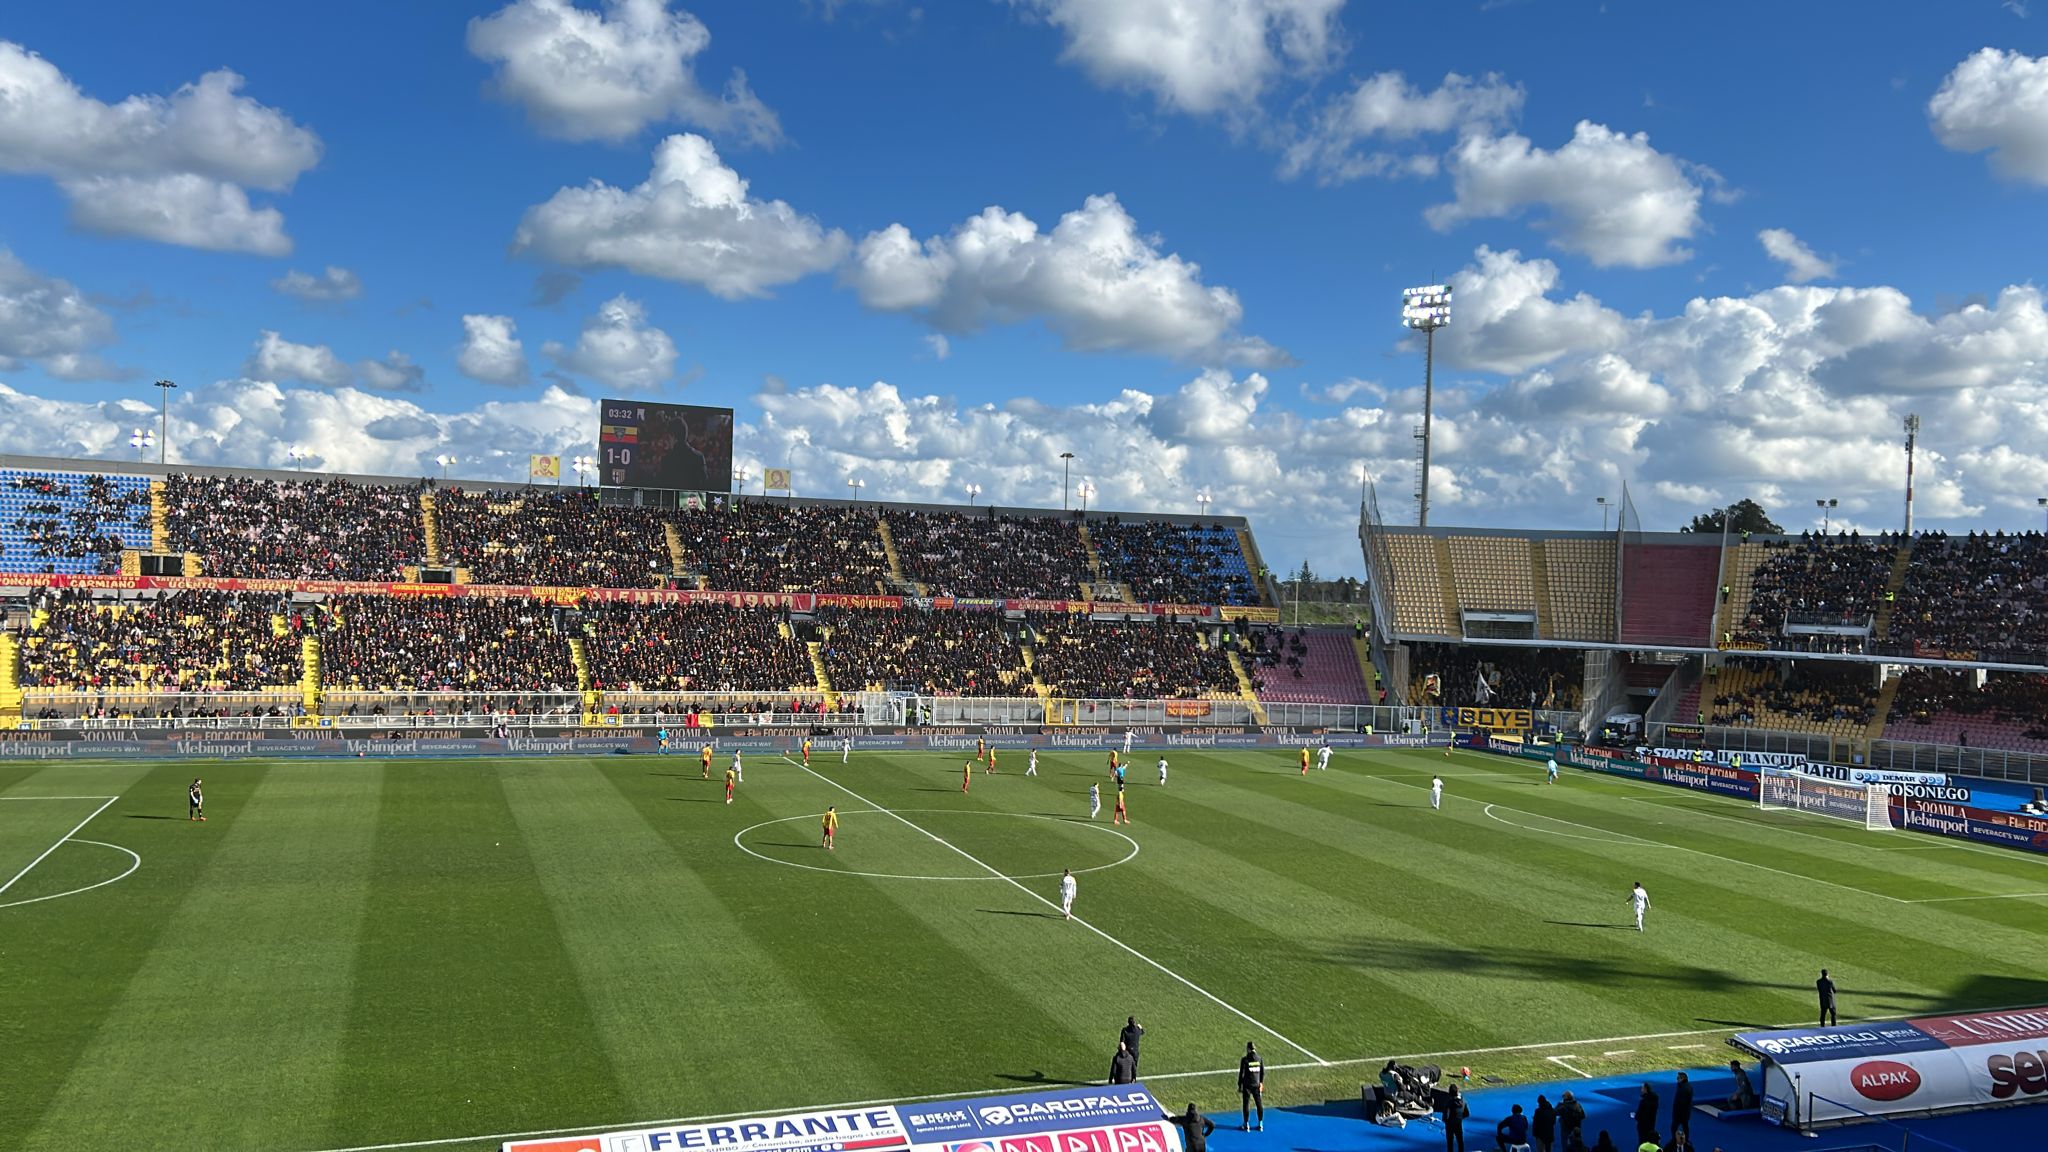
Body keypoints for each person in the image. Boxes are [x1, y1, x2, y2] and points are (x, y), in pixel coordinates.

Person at [1237, 1042, 1264, 1131]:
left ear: (1248, 1049)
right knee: (1259, 1104)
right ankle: (1260, 1123)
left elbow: (1242, 1074)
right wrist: (1261, 1083)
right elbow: (1262, 1072)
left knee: (1246, 1105)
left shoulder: (1245, 1060)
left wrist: (1239, 1085)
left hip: (1247, 1085)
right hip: (1256, 1085)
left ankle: (1246, 1124)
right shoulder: (1259, 1059)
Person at [1441, 1082, 1468, 1152]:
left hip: (1450, 1125)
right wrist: (1459, 1118)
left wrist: (1447, 1121)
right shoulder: (1463, 1101)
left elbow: (1445, 1117)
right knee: (1460, 1141)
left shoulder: (1449, 1103)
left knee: (1450, 1143)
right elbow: (1467, 1113)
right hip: (1458, 1124)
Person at [1632, 1084, 1659, 1148]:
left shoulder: (1644, 1101)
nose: (1641, 1090)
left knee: (1642, 1141)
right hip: (1651, 1123)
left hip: (1643, 1126)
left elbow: (1642, 1114)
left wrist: (1635, 1116)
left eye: (1642, 1088)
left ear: (1645, 1089)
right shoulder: (1655, 1099)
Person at [1670, 1072, 1692, 1141]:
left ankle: (1675, 1139)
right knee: (1685, 1126)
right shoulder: (1684, 1086)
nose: (1677, 1079)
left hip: (1681, 1113)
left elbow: (1682, 1103)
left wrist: (1677, 1113)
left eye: (1678, 1078)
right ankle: (1686, 1139)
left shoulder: (1684, 1088)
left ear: (1682, 1078)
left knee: (1674, 1127)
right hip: (1684, 1113)